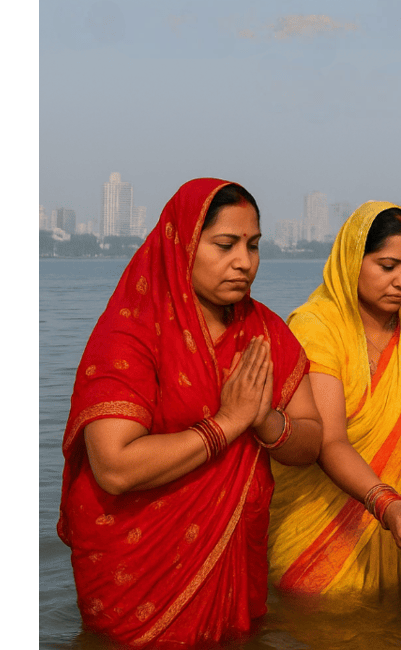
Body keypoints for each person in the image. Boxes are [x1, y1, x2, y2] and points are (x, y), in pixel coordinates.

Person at [57, 178, 324, 647]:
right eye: (225, 244)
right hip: (136, 571)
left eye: (254, 246)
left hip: (234, 564)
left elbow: (311, 439)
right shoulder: (132, 333)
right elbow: (114, 467)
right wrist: (226, 424)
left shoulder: (265, 331)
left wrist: (264, 420)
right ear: (181, 245)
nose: (244, 261)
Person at [268, 201, 401, 595]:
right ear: (352, 260)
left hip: (396, 531)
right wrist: (386, 502)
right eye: (387, 266)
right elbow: (329, 440)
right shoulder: (316, 327)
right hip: (316, 535)